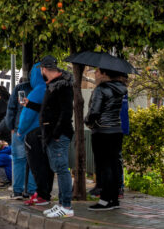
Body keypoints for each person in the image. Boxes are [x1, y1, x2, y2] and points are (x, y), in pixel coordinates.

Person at [85, 68, 127, 211]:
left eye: (97, 72)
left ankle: (104, 200)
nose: (95, 74)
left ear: (104, 74)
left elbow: (94, 111)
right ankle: (114, 199)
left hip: (102, 131)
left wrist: (88, 122)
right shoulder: (121, 89)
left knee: (104, 167)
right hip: (116, 130)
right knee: (114, 166)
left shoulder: (100, 89)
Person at [39, 56, 75, 218]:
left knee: (62, 169)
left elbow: (66, 112)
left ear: (44, 69)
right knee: (58, 169)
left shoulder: (63, 86)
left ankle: (66, 206)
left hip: (58, 135)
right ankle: (61, 203)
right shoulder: (54, 85)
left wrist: (56, 133)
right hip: (52, 134)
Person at [17, 62, 53, 206]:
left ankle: (42, 194)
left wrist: (20, 130)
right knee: (47, 165)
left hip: (33, 133)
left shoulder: (37, 90)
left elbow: (27, 115)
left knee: (36, 165)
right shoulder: (51, 88)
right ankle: (45, 193)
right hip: (47, 131)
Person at [4, 79, 37, 200]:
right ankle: (32, 191)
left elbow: (11, 109)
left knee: (18, 161)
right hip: (35, 129)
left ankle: (17, 191)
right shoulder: (41, 87)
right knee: (34, 161)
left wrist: (11, 126)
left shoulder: (19, 88)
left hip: (19, 129)